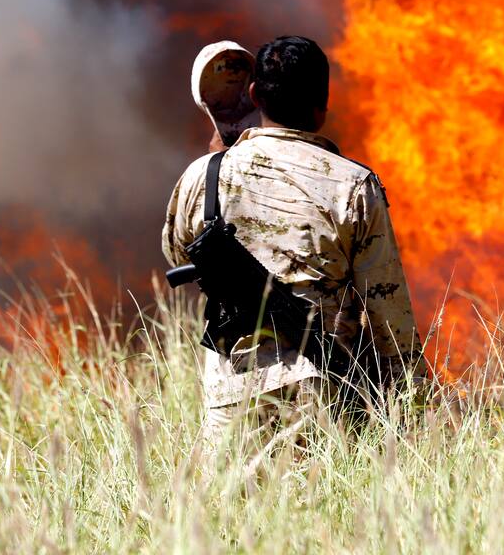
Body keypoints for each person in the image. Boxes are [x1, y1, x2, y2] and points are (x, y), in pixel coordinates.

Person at [162, 35, 424, 442]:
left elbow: (178, 253)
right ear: (323, 107)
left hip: (234, 399)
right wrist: (413, 400)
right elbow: (386, 307)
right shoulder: (354, 184)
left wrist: (216, 159)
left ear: (255, 95)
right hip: (325, 396)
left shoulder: (206, 175)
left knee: (228, 488)